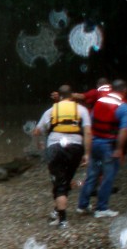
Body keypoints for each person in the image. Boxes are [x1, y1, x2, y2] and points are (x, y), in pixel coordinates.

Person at [34, 85, 92, 228]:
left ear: (59, 97)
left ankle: (62, 220)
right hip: (75, 148)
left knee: (59, 182)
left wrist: (39, 143)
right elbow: (88, 133)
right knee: (66, 180)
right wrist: (87, 153)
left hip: (55, 147)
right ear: (71, 96)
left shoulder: (50, 111)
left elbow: (36, 131)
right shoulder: (82, 110)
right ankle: (57, 211)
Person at [77, 79, 127, 218]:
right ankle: (101, 208)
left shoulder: (100, 102)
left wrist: (88, 147)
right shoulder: (124, 107)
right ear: (124, 91)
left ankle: (82, 205)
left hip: (95, 142)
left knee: (92, 175)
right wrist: (119, 149)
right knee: (108, 176)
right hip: (109, 146)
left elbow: (91, 121)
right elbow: (124, 130)